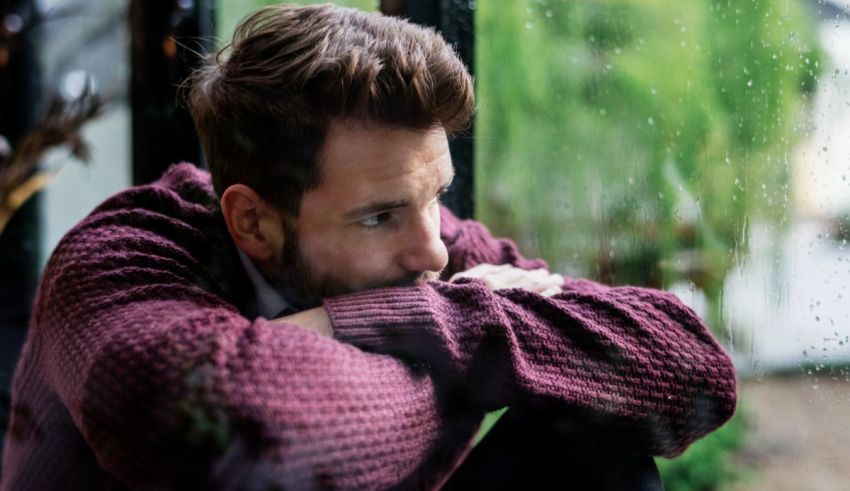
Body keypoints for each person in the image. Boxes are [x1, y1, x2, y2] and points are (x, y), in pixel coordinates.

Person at [0, 4, 737, 490]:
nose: (435, 254)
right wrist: (488, 357)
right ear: (254, 221)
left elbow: (693, 376)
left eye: (436, 194)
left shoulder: (431, 243)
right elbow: (236, 434)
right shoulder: (118, 260)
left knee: (595, 449)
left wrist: (407, 323)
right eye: (379, 216)